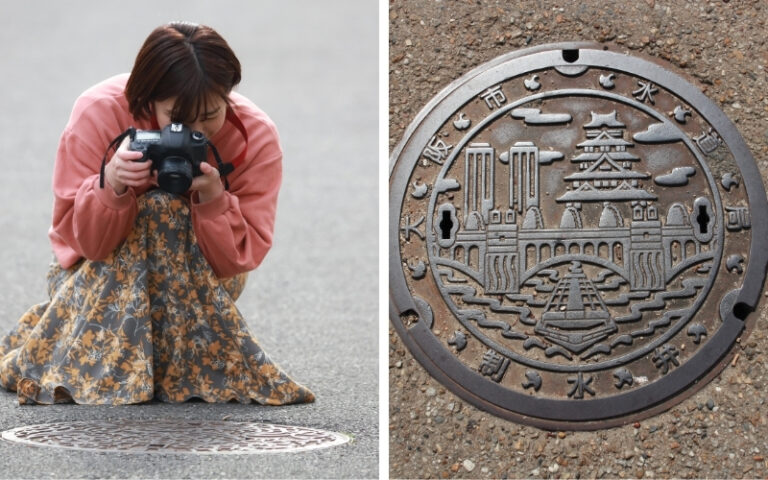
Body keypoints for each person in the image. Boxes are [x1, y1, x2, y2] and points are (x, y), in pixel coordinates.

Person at [0, 22, 315, 405]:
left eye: (210, 116)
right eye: (178, 119)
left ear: (229, 94)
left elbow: (239, 259)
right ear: (147, 100)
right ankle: (174, 369)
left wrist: (214, 199)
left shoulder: (256, 136)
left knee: (164, 210)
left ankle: (95, 354)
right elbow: (82, 243)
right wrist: (111, 185)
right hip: (92, 271)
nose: (196, 130)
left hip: (206, 277)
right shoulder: (100, 112)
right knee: (155, 209)